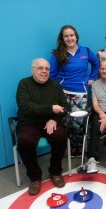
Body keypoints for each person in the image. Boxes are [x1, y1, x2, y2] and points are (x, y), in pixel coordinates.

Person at [16, 58, 68, 196]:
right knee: (24, 141)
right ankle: (35, 177)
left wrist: (54, 119)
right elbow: (26, 106)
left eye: (47, 68)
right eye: (40, 68)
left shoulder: (55, 85)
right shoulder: (24, 84)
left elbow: (64, 106)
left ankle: (55, 172)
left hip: (50, 122)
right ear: (32, 70)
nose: (44, 71)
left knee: (61, 136)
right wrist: (50, 109)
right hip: (29, 123)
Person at [49, 25, 99, 157]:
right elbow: (52, 74)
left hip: (80, 92)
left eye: (72, 35)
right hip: (63, 92)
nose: (69, 38)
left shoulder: (86, 51)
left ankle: (78, 146)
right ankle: (68, 145)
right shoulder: (57, 54)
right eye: (66, 36)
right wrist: (54, 91)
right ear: (62, 38)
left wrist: (92, 78)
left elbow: (96, 64)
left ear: (76, 36)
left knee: (78, 122)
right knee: (65, 121)